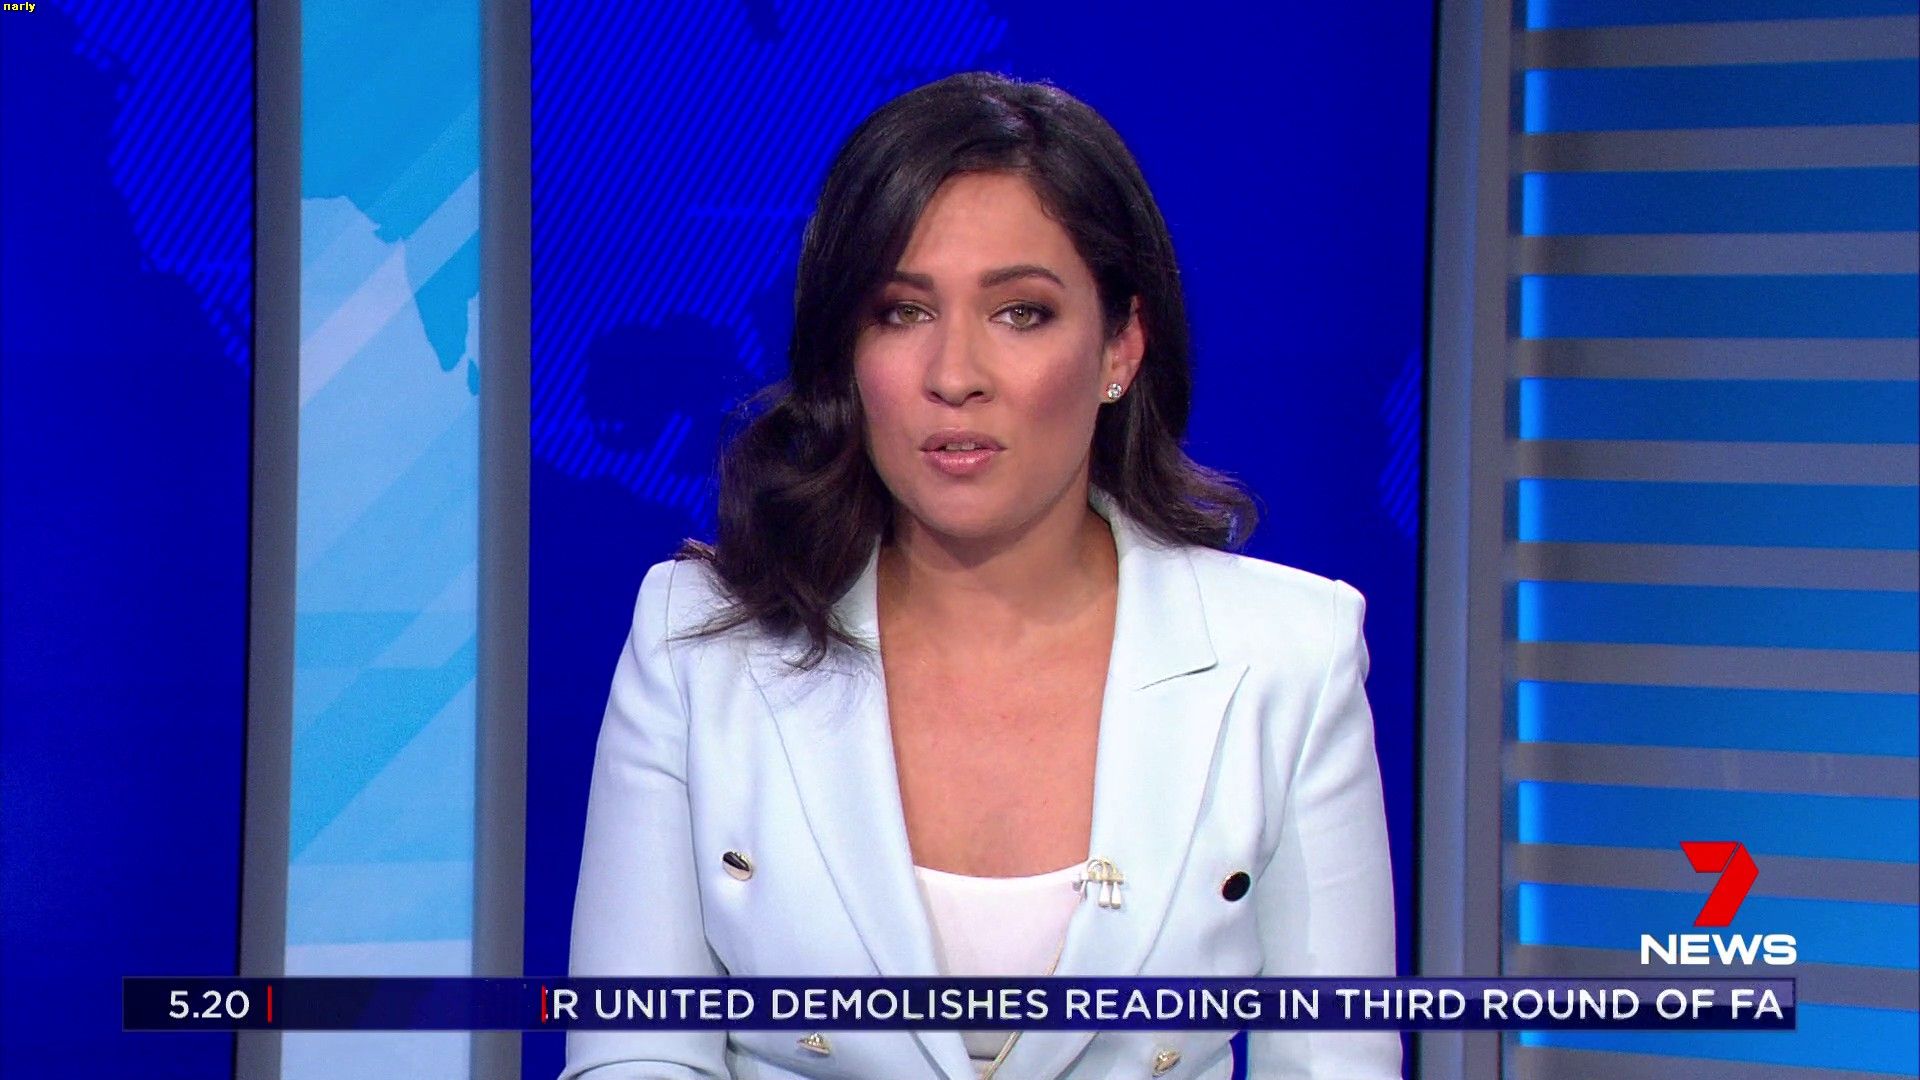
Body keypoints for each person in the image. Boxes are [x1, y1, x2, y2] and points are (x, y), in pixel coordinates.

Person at [562, 71, 1397, 1080]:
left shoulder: (1288, 659)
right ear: (845, 352)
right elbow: (635, 1054)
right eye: (902, 312)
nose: (954, 375)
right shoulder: (696, 648)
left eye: (1021, 313)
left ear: (1121, 347)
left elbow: (1335, 1061)